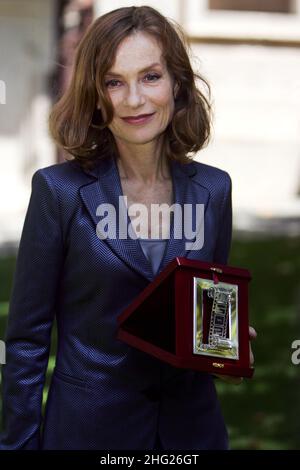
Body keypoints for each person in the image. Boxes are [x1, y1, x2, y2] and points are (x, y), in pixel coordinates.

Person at [0, 5, 256, 450]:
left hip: (192, 434)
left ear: (177, 84)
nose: (134, 99)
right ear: (95, 96)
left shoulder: (214, 189)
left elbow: (206, 315)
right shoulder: (57, 192)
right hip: (87, 434)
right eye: (114, 82)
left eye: (151, 76)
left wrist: (226, 352)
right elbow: (25, 344)